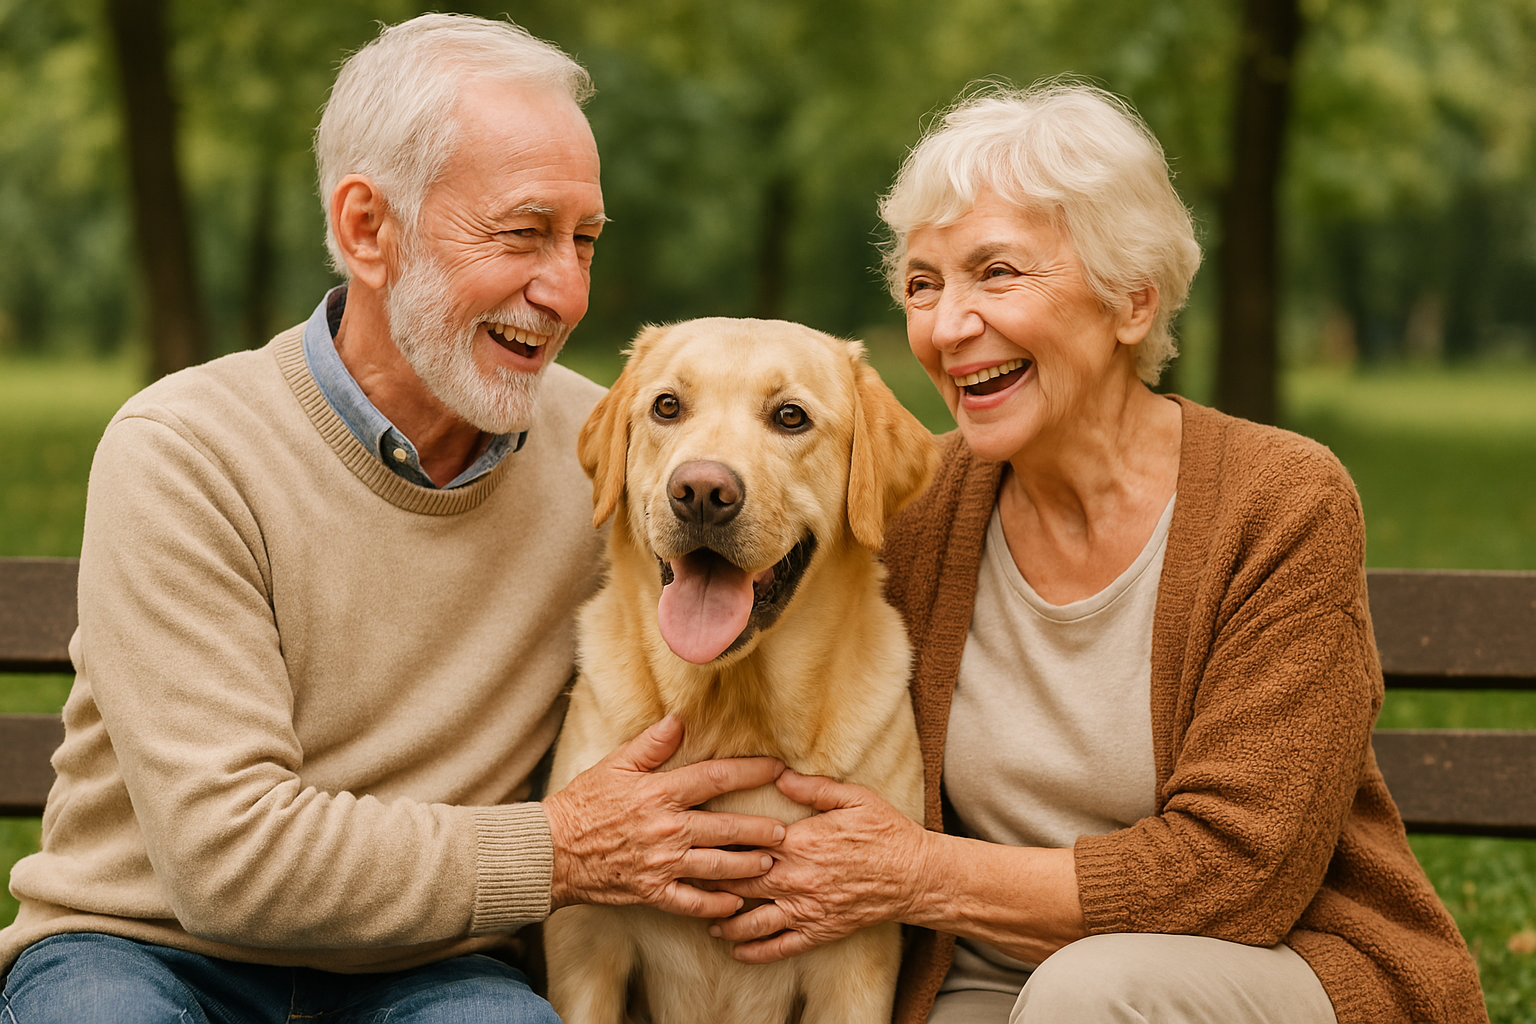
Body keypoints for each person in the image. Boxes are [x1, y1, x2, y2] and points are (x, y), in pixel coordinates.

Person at [0, 14, 786, 1023]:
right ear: (370, 229)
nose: (566, 289)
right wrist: (561, 849)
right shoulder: (183, 449)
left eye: (583, 240)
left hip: (430, 964)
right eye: (523, 232)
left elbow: (795, 552)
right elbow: (229, 861)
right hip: (147, 946)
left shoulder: (610, 447)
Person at [708, 83, 1487, 1024]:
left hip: (1264, 970)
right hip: (986, 982)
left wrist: (918, 875)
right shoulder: (912, 505)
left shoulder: (1280, 503)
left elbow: (1238, 875)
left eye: (997, 274)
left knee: (1088, 996)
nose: (949, 328)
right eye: (924, 284)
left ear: (1130, 300)